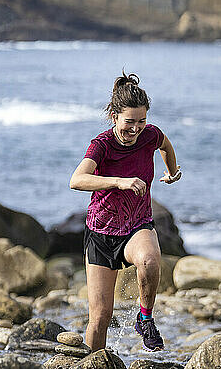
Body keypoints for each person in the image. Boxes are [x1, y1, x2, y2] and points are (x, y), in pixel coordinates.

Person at [70, 70, 181, 352]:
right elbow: (77, 180)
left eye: (142, 121)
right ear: (114, 117)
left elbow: (165, 145)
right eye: (129, 122)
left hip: (136, 226)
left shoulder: (149, 135)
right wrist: (118, 182)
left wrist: (172, 171)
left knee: (150, 261)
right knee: (101, 317)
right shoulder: (102, 145)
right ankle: (92, 368)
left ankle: (145, 319)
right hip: (101, 233)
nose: (135, 128)